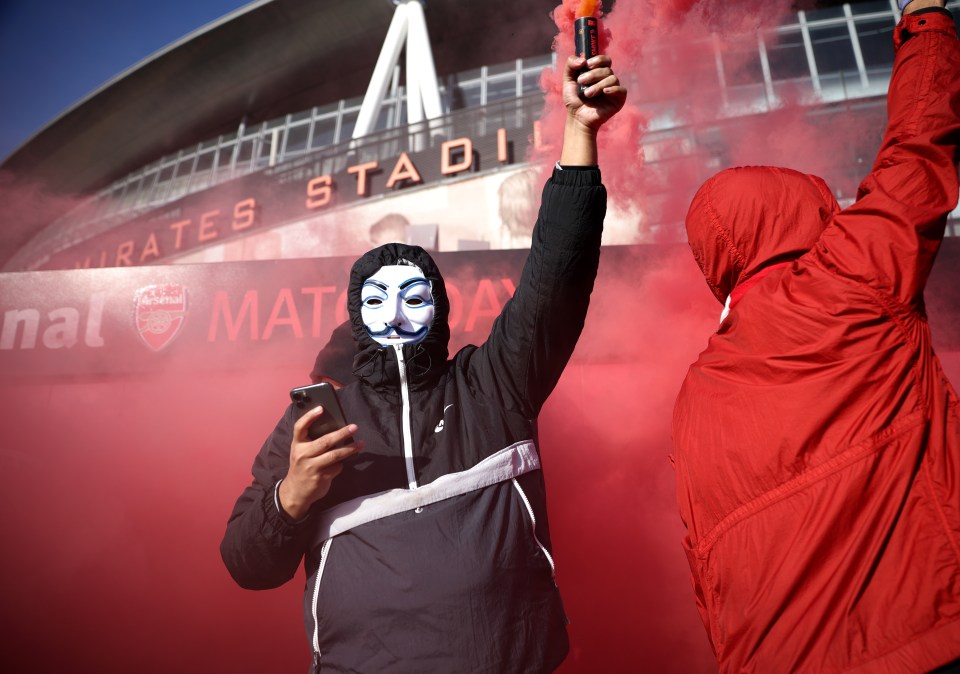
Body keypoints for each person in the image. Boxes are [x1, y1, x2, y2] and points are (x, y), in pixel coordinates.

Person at [221, 53, 626, 673]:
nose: (399, 314)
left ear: (439, 308)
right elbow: (246, 564)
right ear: (357, 315)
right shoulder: (316, 420)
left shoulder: (493, 385)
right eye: (378, 299)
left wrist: (580, 131)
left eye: (416, 297)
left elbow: (557, 277)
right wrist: (291, 498)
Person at [671, 2, 960, 672]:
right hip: (933, 637)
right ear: (807, 213)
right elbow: (918, 145)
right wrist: (925, 20)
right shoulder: (852, 273)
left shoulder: (693, 397)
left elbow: (705, 573)